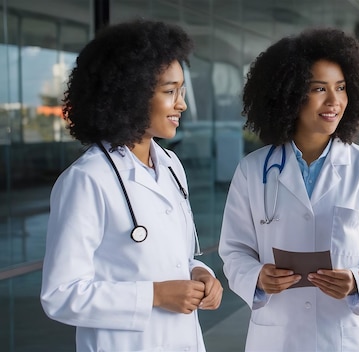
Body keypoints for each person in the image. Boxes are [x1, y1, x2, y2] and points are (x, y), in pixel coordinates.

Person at [218, 28, 359, 352]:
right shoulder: (252, 171)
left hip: (345, 335)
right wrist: (257, 277)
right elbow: (234, 250)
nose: (334, 101)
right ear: (290, 94)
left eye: (342, 88)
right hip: (278, 335)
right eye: (319, 88)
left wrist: (357, 281)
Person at [40, 19, 223, 351]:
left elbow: (173, 257)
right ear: (132, 95)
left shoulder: (170, 166)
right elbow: (60, 294)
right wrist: (154, 295)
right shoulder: (87, 179)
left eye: (181, 90)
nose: (181, 103)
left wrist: (200, 274)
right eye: (170, 92)